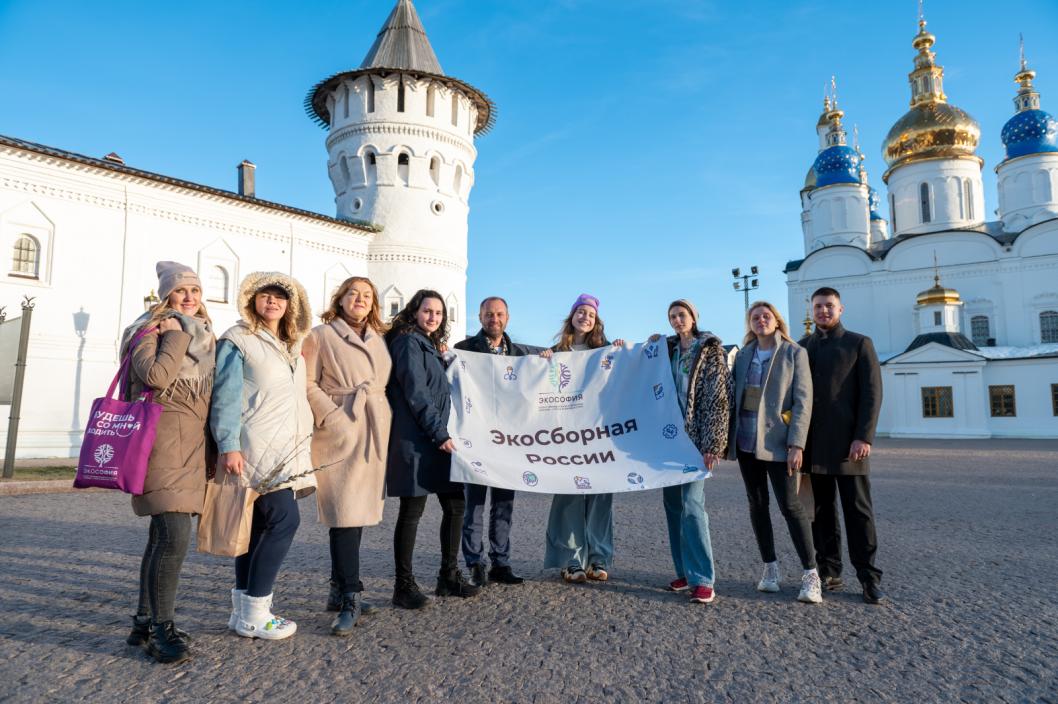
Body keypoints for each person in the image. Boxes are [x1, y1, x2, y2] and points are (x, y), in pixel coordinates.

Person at [211, 272, 316, 640]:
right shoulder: (238, 340)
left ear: (290, 305)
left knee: (254, 529)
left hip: (287, 449)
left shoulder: (292, 347)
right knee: (284, 521)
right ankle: (258, 610)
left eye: (280, 297)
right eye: (265, 295)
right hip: (254, 447)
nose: (272, 302)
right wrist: (228, 445)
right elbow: (224, 396)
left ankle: (242, 613)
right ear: (252, 300)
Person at [122, 261, 215, 664]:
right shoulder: (149, 330)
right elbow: (155, 375)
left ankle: (143, 622)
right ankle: (162, 629)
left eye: (195, 290)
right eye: (181, 291)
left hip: (192, 450)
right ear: (166, 296)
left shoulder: (207, 339)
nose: (190, 297)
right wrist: (174, 336)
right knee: (173, 538)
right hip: (158, 445)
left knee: (161, 539)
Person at [303, 276, 391, 636]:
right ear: (339, 300)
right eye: (353, 293)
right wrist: (333, 416)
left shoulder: (378, 340)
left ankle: (338, 589)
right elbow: (307, 382)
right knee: (344, 513)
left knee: (355, 514)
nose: (360, 299)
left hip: (373, 428)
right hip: (342, 428)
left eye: (367, 295)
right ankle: (351, 595)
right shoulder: (320, 335)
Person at [386, 289, 480, 609]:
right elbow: (416, 391)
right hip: (418, 439)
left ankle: (448, 576)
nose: (433, 317)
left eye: (438, 313)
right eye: (428, 311)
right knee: (412, 512)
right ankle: (403, 585)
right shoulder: (407, 342)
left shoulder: (428, 345)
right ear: (415, 311)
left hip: (438, 439)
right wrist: (439, 433)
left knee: (455, 505)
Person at [799, 287, 885, 605]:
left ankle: (869, 577)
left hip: (850, 446)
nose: (823, 311)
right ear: (811, 310)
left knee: (858, 512)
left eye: (829, 306)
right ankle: (829, 571)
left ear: (841, 309)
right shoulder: (802, 347)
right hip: (813, 445)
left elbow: (872, 394)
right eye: (818, 306)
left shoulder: (859, 343)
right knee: (820, 514)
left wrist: (864, 436)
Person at [730, 301, 820, 604]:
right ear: (750, 324)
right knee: (757, 505)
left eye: (766, 316)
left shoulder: (795, 353)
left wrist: (797, 444)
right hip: (746, 443)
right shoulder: (743, 356)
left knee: (790, 507)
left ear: (777, 321)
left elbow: (803, 402)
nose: (760, 320)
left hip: (779, 444)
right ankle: (770, 568)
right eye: (755, 317)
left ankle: (811, 574)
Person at [453, 296, 538, 587]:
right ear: (480, 317)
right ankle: (475, 562)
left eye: (499, 314)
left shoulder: (518, 354)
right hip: (476, 441)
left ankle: (501, 562)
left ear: (507, 318)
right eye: (489, 314)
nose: (494, 319)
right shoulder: (463, 351)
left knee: (504, 505)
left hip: (508, 443)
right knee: (473, 506)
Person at [541, 294, 624, 584]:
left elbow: (624, 379)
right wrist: (541, 365)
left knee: (601, 495)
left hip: (598, 435)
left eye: (590, 313)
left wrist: (624, 353)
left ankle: (598, 557)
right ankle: (572, 559)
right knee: (570, 496)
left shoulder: (605, 352)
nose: (585, 317)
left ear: (596, 320)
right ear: (572, 316)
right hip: (567, 436)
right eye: (581, 312)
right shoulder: (555, 352)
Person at [657, 299, 731, 605]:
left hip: (695, 441)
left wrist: (712, 444)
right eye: (672, 316)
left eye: (682, 315)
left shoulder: (710, 350)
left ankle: (703, 579)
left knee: (692, 506)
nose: (677, 320)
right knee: (673, 507)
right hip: (667, 441)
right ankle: (685, 572)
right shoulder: (668, 349)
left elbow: (718, 398)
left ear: (694, 317)